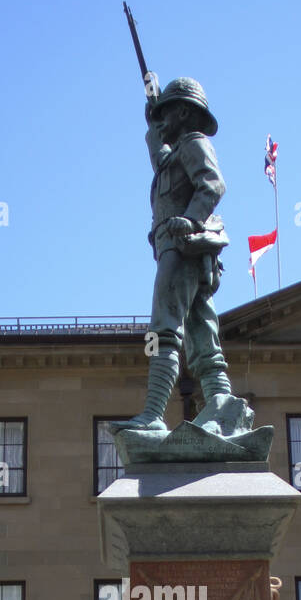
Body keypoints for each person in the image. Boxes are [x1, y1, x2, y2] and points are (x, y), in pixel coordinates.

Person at [111, 77, 250, 438]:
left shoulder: (193, 143)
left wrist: (189, 220)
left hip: (184, 246)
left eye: (167, 111)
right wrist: (152, 116)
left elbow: (213, 183)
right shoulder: (173, 155)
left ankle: (155, 413)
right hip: (184, 250)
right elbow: (160, 154)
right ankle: (220, 399)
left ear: (184, 112)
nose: (162, 119)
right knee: (202, 332)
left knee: (164, 329)